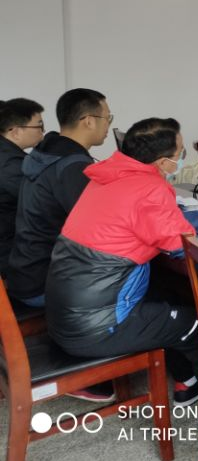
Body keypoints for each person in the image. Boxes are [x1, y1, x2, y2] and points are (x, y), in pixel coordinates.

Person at [44, 118, 198, 407]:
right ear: (163, 162)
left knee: (169, 298)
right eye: (180, 153)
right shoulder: (150, 188)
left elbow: (145, 219)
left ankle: (186, 379)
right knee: (195, 322)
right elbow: (180, 247)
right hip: (97, 327)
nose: (181, 157)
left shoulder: (108, 177)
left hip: (66, 315)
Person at [6, 88, 111, 306]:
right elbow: (100, 230)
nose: (108, 125)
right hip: (44, 283)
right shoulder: (72, 166)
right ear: (89, 121)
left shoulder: (47, 152)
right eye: (107, 118)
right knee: (142, 272)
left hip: (25, 272)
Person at [0, 98, 45, 276]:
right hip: (7, 253)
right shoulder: (9, 164)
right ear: (16, 131)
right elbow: (39, 201)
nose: (43, 131)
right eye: (39, 126)